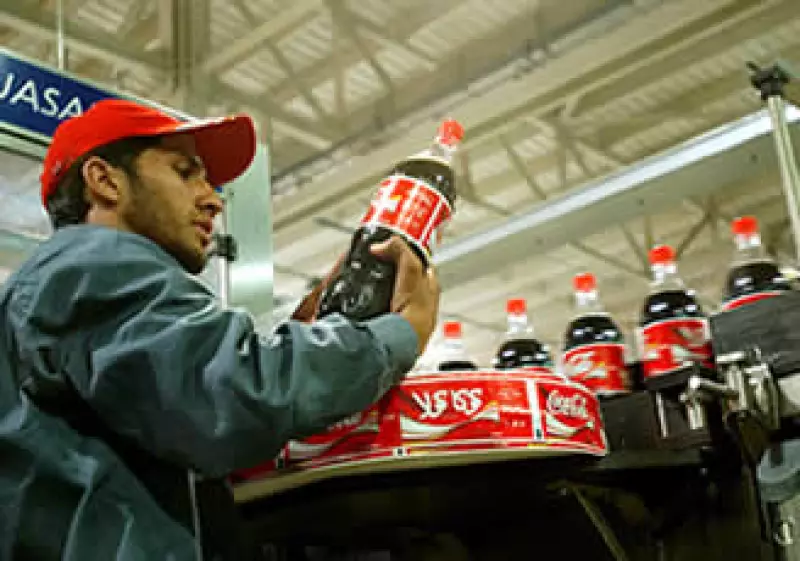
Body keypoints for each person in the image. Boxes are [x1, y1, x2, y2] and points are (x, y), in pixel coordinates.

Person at [0, 99, 440, 560]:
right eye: (185, 171)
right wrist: (398, 334)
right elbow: (236, 393)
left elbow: (190, 413)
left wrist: (303, 329)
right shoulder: (93, 266)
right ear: (105, 181)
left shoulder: (73, 284)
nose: (212, 197)